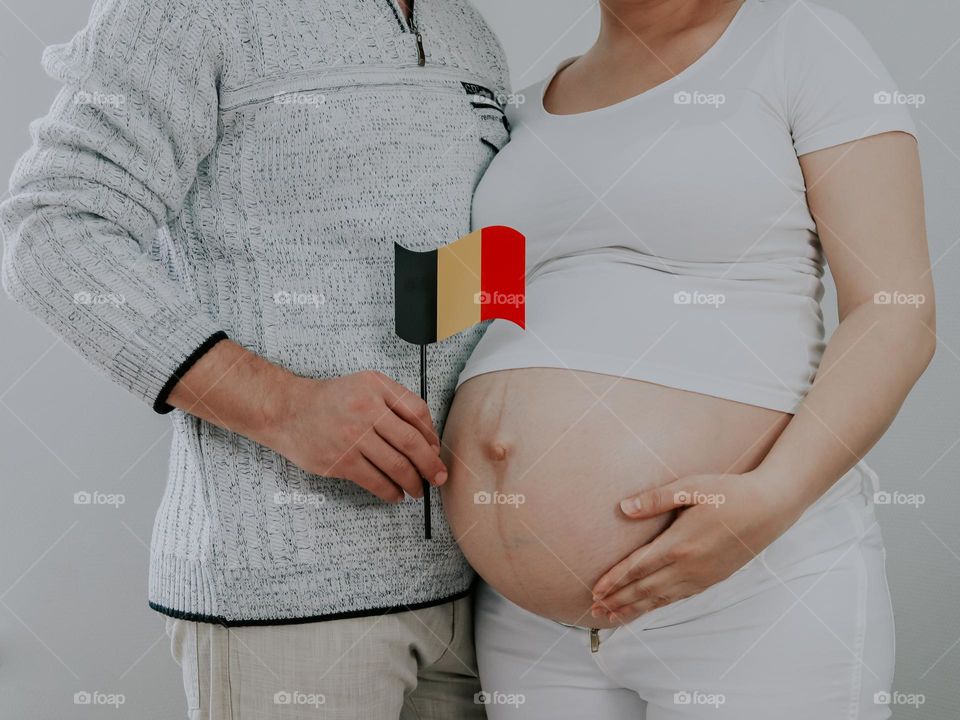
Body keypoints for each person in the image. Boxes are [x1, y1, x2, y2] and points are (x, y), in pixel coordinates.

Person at [0, 0, 510, 717]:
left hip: (484, 595)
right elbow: (52, 231)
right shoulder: (184, 11)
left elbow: (478, 254)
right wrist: (285, 407)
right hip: (288, 598)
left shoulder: (464, 25)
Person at [440, 0, 934, 717]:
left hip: (752, 583)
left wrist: (772, 499)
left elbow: (896, 313)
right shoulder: (527, 108)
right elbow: (477, 315)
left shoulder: (799, 42)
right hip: (528, 625)